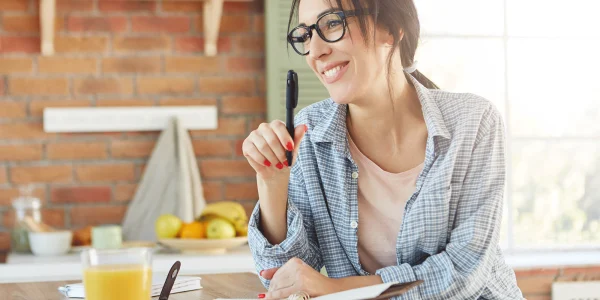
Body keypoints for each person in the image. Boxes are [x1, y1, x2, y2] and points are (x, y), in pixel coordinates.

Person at [242, 0, 524, 299]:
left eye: (333, 24)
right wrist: (272, 183)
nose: (314, 51)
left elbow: (465, 270)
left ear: (391, 30)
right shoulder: (309, 133)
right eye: (305, 35)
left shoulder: (473, 121)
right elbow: (283, 280)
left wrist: (338, 288)